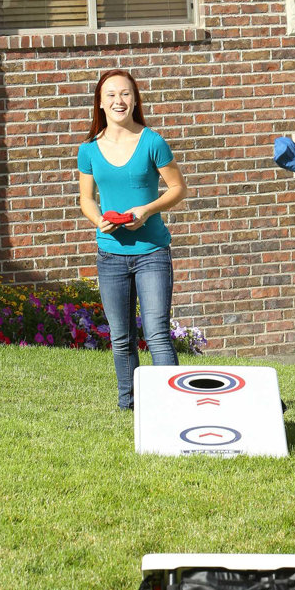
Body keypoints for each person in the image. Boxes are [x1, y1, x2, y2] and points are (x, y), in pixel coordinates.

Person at [78, 70, 188, 410]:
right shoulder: (89, 150)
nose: (118, 101)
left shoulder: (152, 141)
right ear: (100, 102)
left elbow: (178, 189)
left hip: (152, 252)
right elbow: (86, 199)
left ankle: (173, 406)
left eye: (125, 94)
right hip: (110, 255)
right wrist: (99, 220)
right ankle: (130, 406)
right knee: (121, 337)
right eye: (110, 95)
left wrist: (147, 211)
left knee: (156, 333)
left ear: (135, 100)